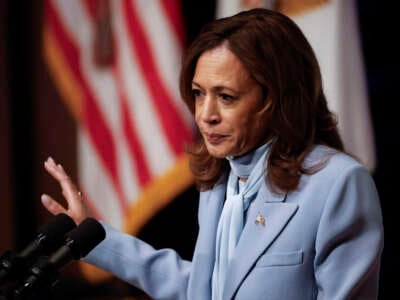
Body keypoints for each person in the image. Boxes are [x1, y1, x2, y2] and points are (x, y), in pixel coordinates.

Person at [41, 8, 383, 300]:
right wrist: (94, 235)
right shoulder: (221, 179)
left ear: (278, 99)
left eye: (226, 96)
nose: (205, 114)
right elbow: (209, 290)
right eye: (198, 93)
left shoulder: (337, 184)